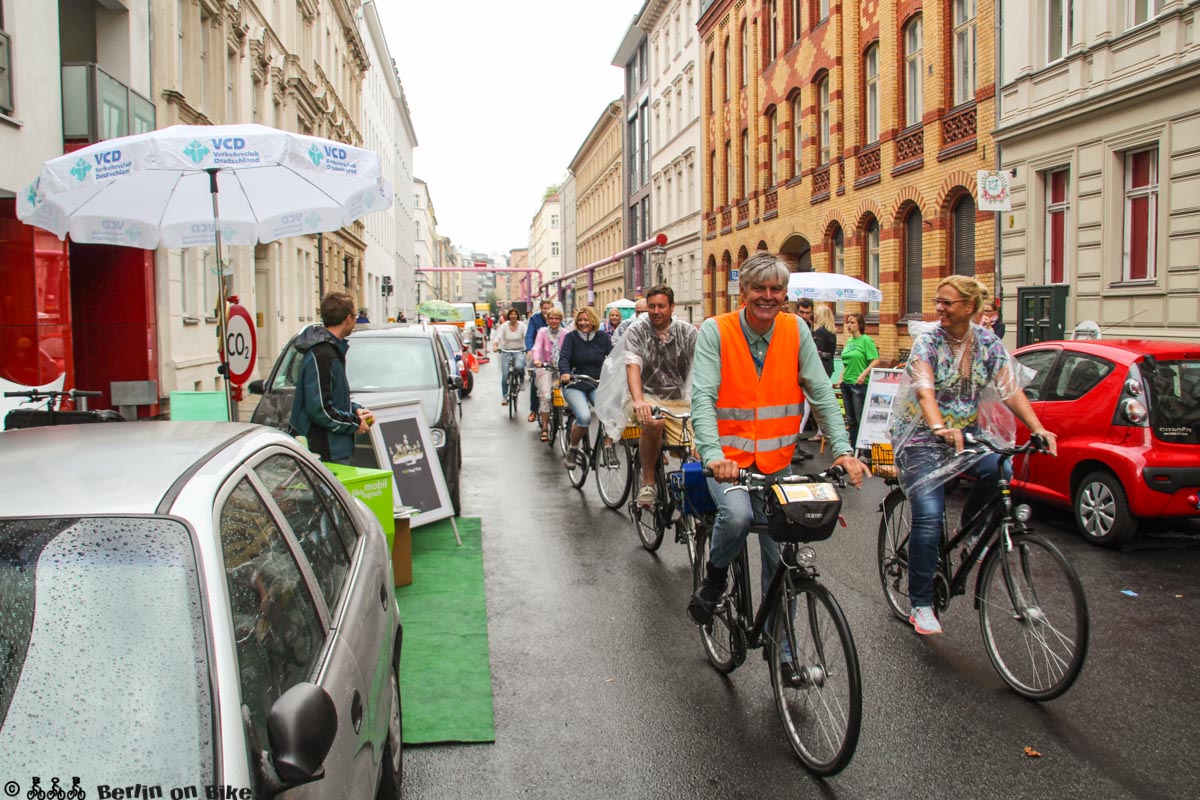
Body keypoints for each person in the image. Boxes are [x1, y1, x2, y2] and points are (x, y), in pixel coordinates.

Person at [688, 253, 870, 685]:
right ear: (743, 291)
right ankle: (714, 581)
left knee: (782, 556)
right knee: (737, 516)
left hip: (777, 463)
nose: (768, 297)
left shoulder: (795, 329)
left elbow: (822, 394)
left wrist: (842, 451)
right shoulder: (717, 331)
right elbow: (703, 398)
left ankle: (782, 651)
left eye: (776, 290)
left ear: (784, 294)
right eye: (759, 289)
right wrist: (714, 455)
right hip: (727, 463)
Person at [890, 276, 1057, 636]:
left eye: (947, 302)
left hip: (964, 435)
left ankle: (970, 528)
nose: (939, 308)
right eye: (938, 302)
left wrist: (1039, 428)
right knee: (930, 517)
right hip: (921, 437)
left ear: (969, 307)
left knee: (1003, 467)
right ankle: (921, 604)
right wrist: (937, 427)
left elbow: (1011, 391)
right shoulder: (928, 342)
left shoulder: (987, 343)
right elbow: (924, 392)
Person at [623, 285, 699, 507]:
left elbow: (704, 366)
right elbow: (632, 366)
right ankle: (648, 482)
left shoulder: (688, 332)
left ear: (672, 307)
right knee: (654, 423)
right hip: (646, 395)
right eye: (652, 306)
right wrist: (638, 401)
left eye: (661, 306)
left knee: (700, 440)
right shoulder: (637, 331)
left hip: (680, 398)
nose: (656, 311)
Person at [290, 292, 373, 464]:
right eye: (355, 316)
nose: (356, 321)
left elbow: (333, 397)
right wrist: (354, 423)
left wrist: (354, 409)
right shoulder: (323, 353)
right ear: (348, 318)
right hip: (325, 448)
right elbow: (320, 409)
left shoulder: (331, 349)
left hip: (333, 447)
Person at [559, 306, 613, 467]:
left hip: (596, 383)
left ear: (593, 320)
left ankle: (608, 447)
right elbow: (564, 358)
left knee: (610, 414)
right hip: (575, 383)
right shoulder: (571, 338)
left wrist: (616, 371)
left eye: (586, 319)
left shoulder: (603, 337)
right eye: (580, 320)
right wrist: (565, 373)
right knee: (584, 417)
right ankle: (573, 449)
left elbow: (611, 358)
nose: (583, 323)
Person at [840, 312, 880, 452]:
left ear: (859, 325)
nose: (849, 325)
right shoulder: (849, 342)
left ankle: (865, 450)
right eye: (848, 322)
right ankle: (854, 447)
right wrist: (841, 377)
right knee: (850, 419)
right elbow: (846, 362)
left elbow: (875, 360)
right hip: (846, 383)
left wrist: (863, 374)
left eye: (852, 322)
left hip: (859, 384)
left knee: (860, 418)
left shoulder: (866, 340)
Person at [529, 308, 568, 442]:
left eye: (557, 318)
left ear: (561, 320)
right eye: (551, 318)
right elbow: (537, 347)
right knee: (545, 396)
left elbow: (569, 349)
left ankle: (567, 421)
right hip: (545, 367)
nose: (554, 321)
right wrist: (537, 360)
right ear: (547, 319)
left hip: (561, 368)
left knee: (566, 396)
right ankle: (545, 427)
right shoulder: (542, 332)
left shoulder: (565, 333)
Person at [524, 298, 555, 422]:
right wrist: (530, 350)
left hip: (553, 354)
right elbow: (530, 335)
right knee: (535, 382)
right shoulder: (534, 319)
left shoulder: (556, 317)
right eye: (544, 308)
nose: (546, 311)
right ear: (540, 308)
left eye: (549, 308)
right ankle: (534, 410)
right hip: (539, 354)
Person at [492, 308, 527, 405]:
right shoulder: (504, 326)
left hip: (519, 350)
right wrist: (495, 346)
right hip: (506, 351)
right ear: (508, 316)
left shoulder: (522, 326)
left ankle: (521, 379)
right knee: (505, 374)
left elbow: (527, 336)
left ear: (517, 316)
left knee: (519, 366)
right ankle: (505, 397)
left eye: (515, 314)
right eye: (511, 314)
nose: (513, 316)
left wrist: (529, 347)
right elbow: (498, 337)